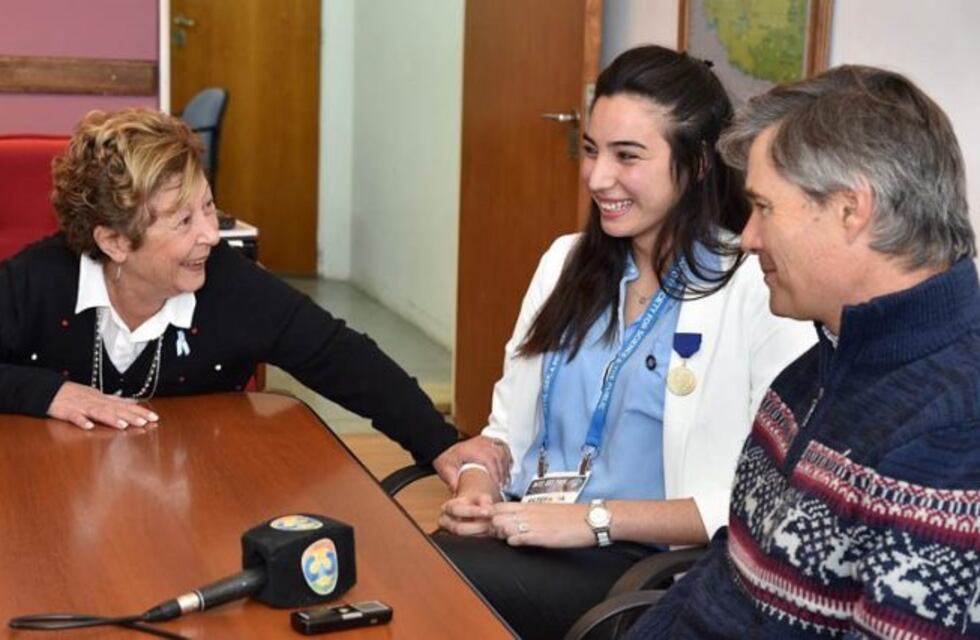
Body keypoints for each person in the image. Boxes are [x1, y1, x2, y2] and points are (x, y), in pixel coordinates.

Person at [434, 46, 815, 639]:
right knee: (406, 568)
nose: (596, 176)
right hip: (527, 529)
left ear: (698, 165)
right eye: (590, 150)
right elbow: (505, 430)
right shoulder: (565, 262)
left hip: (643, 564)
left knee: (432, 586)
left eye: (627, 156)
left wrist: (592, 522)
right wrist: (480, 487)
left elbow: (758, 498)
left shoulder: (755, 287)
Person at [626, 65, 980, 639]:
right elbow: (722, 577)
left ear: (850, 209)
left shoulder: (952, 435)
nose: (748, 237)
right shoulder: (813, 372)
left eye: (764, 207)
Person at [0, 107, 504, 485]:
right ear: (114, 241)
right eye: (184, 221)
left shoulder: (230, 285)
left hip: (192, 502)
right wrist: (48, 393)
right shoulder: (36, 282)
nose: (211, 235)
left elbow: (339, 356)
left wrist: (439, 443)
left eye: (209, 207)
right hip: (48, 496)